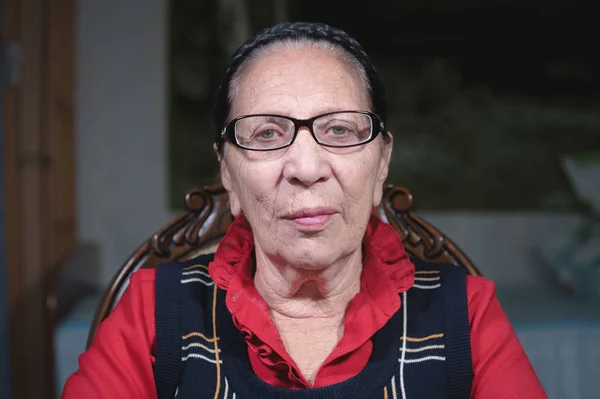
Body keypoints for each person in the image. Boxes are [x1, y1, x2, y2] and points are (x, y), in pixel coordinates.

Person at [62, 22, 547, 398]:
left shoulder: (465, 312)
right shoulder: (153, 311)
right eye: (267, 134)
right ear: (227, 174)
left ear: (381, 165)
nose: (306, 166)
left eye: (339, 130)